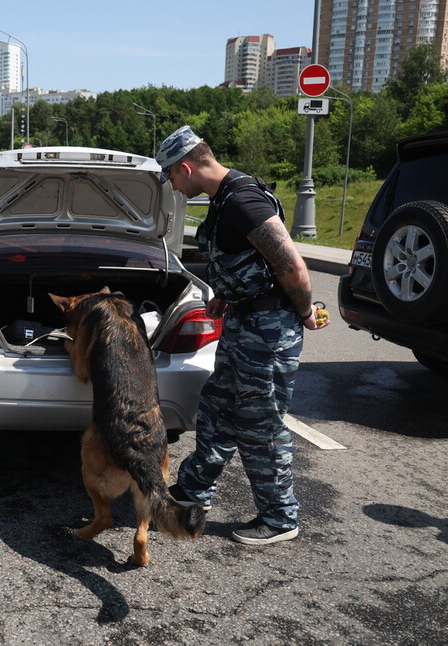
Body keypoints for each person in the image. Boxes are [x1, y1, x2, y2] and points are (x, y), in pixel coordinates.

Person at [156, 125, 329, 546]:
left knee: (260, 422)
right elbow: (252, 264)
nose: (173, 189)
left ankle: (280, 517)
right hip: (244, 323)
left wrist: (306, 312)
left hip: (268, 332)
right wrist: (226, 298)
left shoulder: (244, 202)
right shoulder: (227, 198)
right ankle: (195, 488)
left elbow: (293, 267)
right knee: (217, 407)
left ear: (186, 167)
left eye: (172, 179)